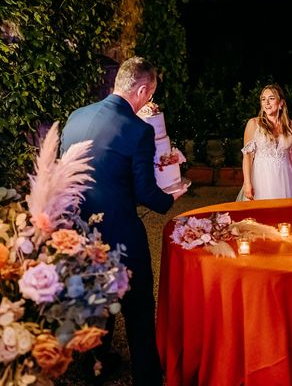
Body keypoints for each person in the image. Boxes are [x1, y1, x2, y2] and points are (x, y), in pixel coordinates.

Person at [60, 56, 187, 386]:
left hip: (79, 232)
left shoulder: (76, 117)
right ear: (142, 89)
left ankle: (96, 363)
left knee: (94, 298)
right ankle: (146, 375)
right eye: (149, 95)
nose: (147, 102)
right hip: (121, 233)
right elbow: (146, 192)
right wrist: (171, 196)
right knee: (138, 305)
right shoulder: (138, 130)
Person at [238, 84, 292, 200]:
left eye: (271, 98)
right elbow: (247, 157)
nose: (266, 103)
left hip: (285, 178)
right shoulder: (253, 124)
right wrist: (247, 183)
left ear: (281, 103)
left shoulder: (290, 125)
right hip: (261, 178)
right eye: (263, 99)